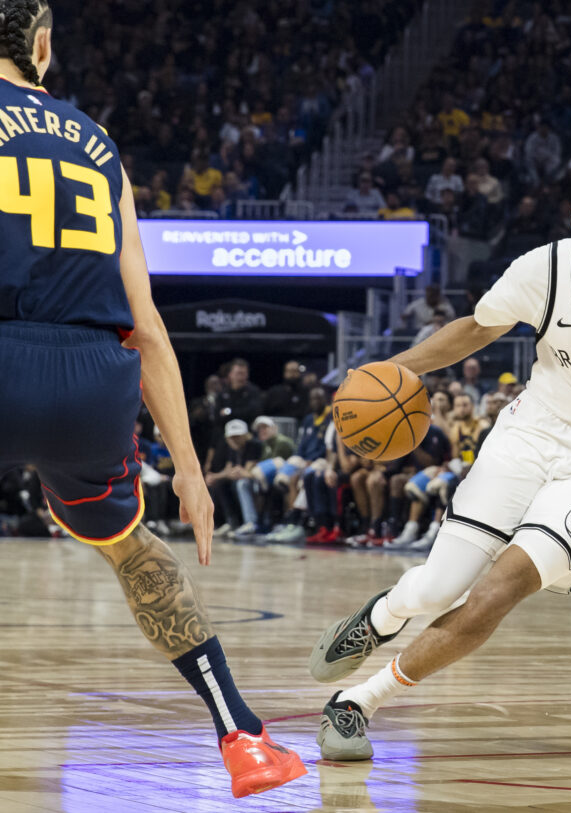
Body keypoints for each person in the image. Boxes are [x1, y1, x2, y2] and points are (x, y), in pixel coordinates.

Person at [308, 161, 571, 760]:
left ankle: (357, 703)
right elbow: (476, 329)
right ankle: (386, 612)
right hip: (530, 432)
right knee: (439, 588)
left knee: (496, 591)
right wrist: (394, 369)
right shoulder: (541, 269)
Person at [0, 3, 303, 796]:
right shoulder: (99, 147)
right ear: (39, 46)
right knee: (135, 553)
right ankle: (241, 734)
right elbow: (148, 324)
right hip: (94, 382)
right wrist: (193, 471)